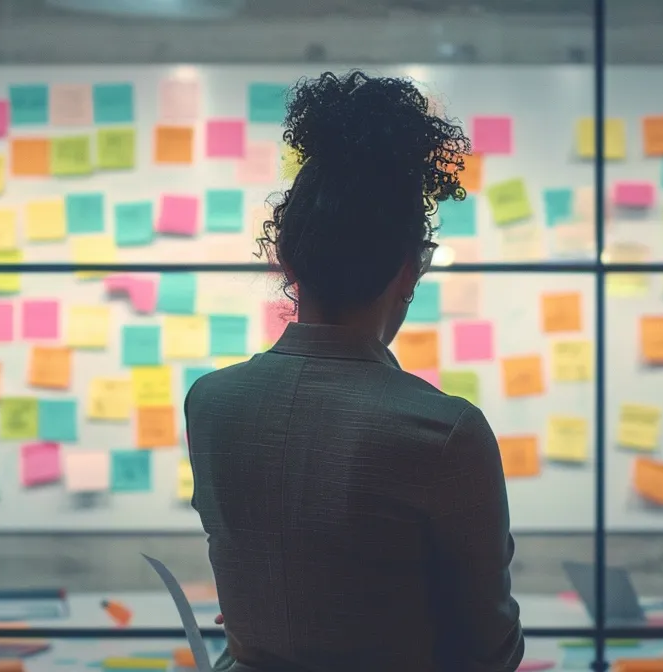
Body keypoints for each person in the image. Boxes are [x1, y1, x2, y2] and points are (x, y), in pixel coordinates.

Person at [184, 70, 524, 672]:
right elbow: (489, 651)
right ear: (408, 273)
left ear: (286, 261)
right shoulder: (444, 431)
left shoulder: (210, 404)